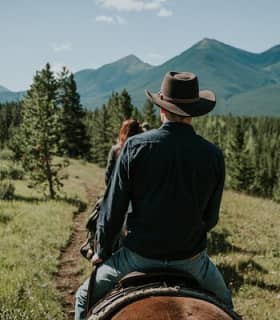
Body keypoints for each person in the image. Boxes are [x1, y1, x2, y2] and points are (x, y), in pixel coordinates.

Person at [75, 71, 233, 320]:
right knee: (226, 303)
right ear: (193, 112)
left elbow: (114, 208)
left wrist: (102, 250)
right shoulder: (213, 155)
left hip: (137, 258)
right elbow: (210, 218)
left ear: (162, 109)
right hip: (191, 260)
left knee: (83, 297)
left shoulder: (135, 147)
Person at [105, 119, 142, 186]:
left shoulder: (115, 149)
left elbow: (108, 174)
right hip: (137, 191)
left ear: (123, 131)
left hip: (118, 189)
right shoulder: (142, 149)